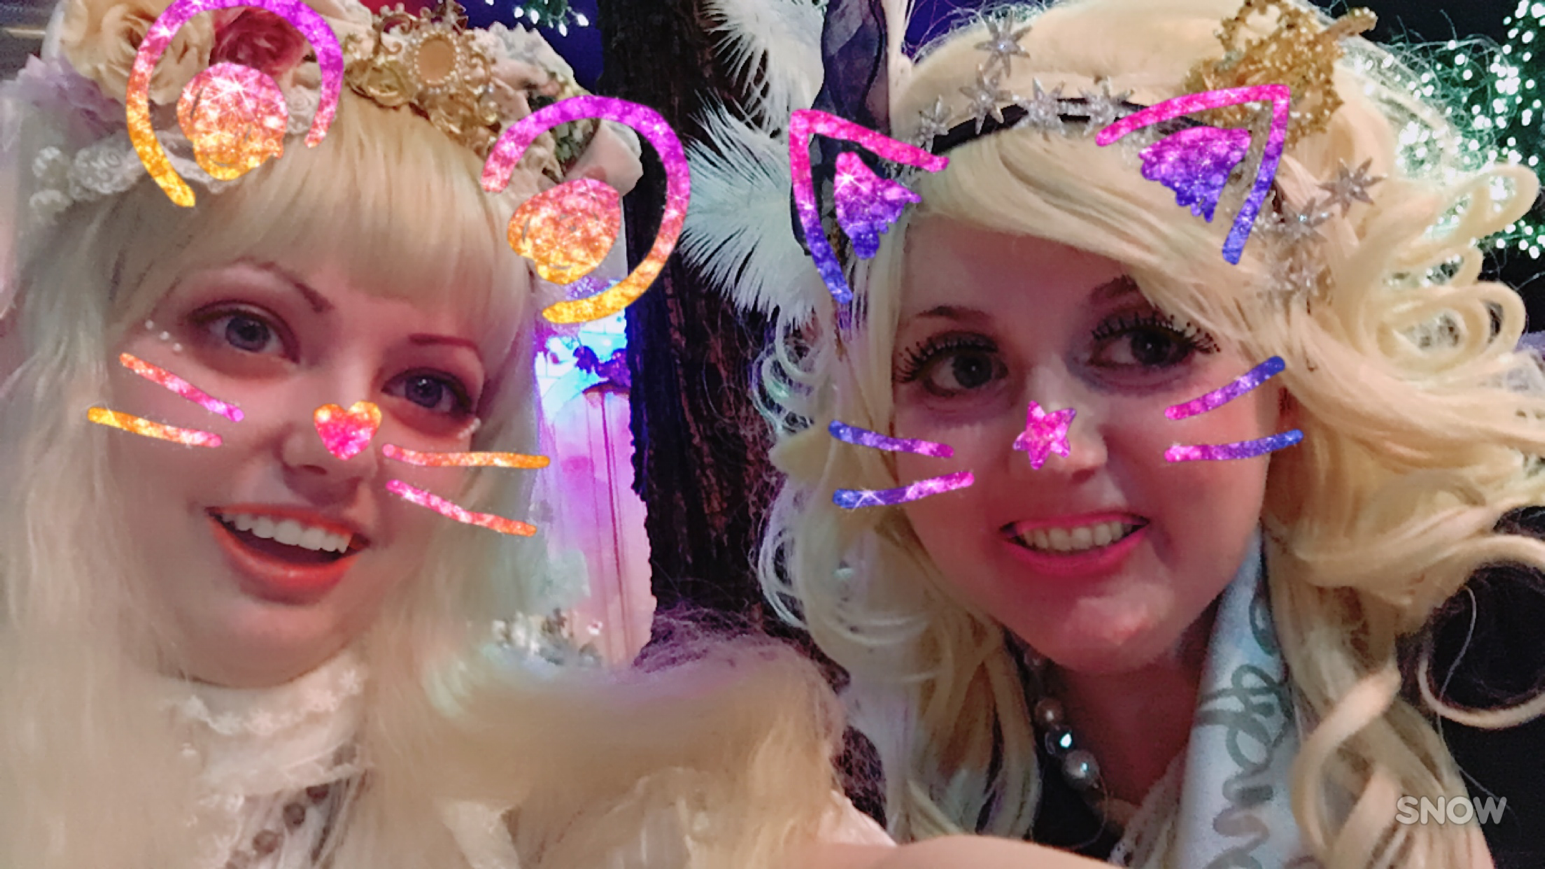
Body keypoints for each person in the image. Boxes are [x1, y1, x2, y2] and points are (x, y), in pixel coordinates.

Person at [0, 0, 926, 864]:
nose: (342, 444)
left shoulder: (570, 811)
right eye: (248, 331)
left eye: (428, 388)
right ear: (57, 338)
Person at [685, 0, 1545, 865]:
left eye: (1146, 343)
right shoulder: (864, 749)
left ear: (1289, 381)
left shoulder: (1503, 642)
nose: (1052, 449)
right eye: (963, 366)